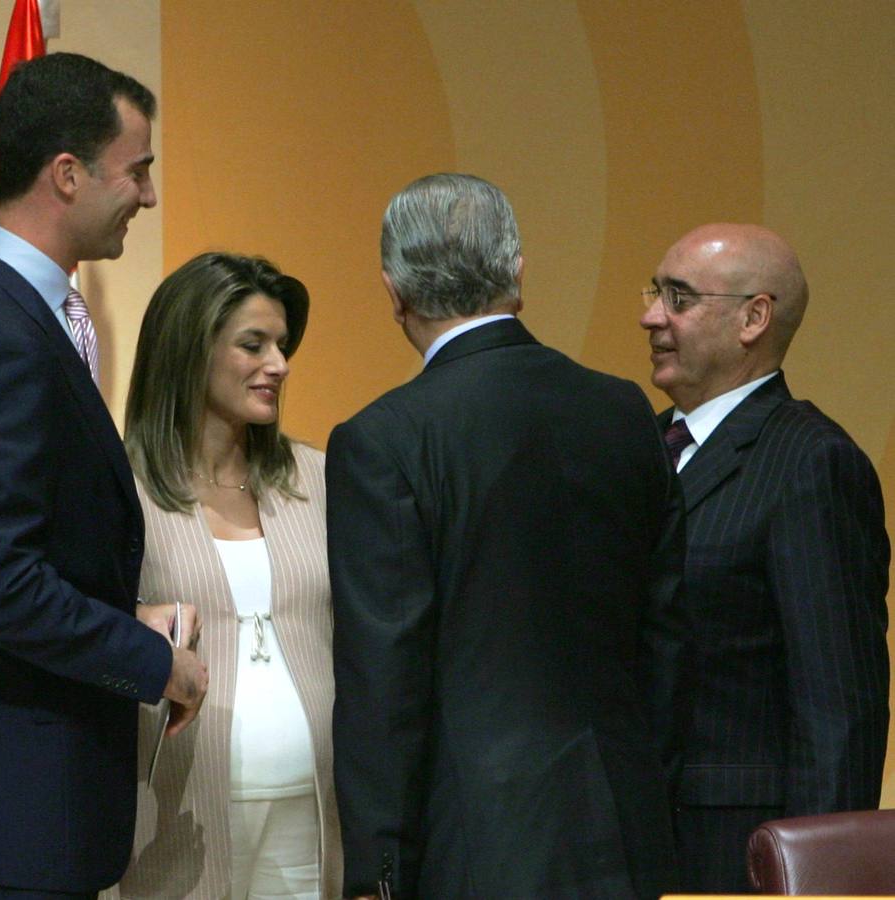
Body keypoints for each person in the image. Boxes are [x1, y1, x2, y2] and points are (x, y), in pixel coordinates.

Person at [0, 53, 208, 899]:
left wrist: (126, 612)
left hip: (3, 814)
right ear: (66, 174)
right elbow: (1, 583)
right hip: (3, 821)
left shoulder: (1, 313)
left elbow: (15, 553)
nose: (149, 196)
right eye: (138, 171)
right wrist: (150, 661)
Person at [328, 173, 686, 899]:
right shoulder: (624, 411)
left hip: (476, 846)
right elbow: (670, 636)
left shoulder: (382, 440)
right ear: (518, 275)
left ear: (394, 291)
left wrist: (378, 869)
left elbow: (384, 678)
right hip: (632, 823)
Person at [642, 223, 889, 893]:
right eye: (653, 291)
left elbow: (840, 707)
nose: (650, 316)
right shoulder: (643, 448)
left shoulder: (810, 461)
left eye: (679, 297)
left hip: (737, 853)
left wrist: (820, 879)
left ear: (754, 317)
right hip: (633, 843)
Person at [110, 252, 342, 900]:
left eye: (282, 345)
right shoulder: (121, 492)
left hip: (311, 821)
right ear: (191, 348)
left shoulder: (318, 480)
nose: (280, 365)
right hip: (176, 832)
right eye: (253, 344)